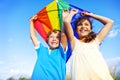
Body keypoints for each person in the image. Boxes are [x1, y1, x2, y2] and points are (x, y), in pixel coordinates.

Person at [63, 9, 114, 80]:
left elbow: (110, 22)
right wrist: (71, 13)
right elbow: (66, 22)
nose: (83, 26)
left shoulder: (96, 40)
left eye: (86, 24)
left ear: (90, 29)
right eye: (80, 25)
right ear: (75, 29)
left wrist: (91, 15)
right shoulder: (74, 42)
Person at [30, 15, 67, 80]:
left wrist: (64, 19)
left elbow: (63, 35)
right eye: (51, 37)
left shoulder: (61, 52)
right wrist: (31, 21)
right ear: (47, 39)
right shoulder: (41, 50)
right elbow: (33, 36)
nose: (54, 39)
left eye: (57, 37)